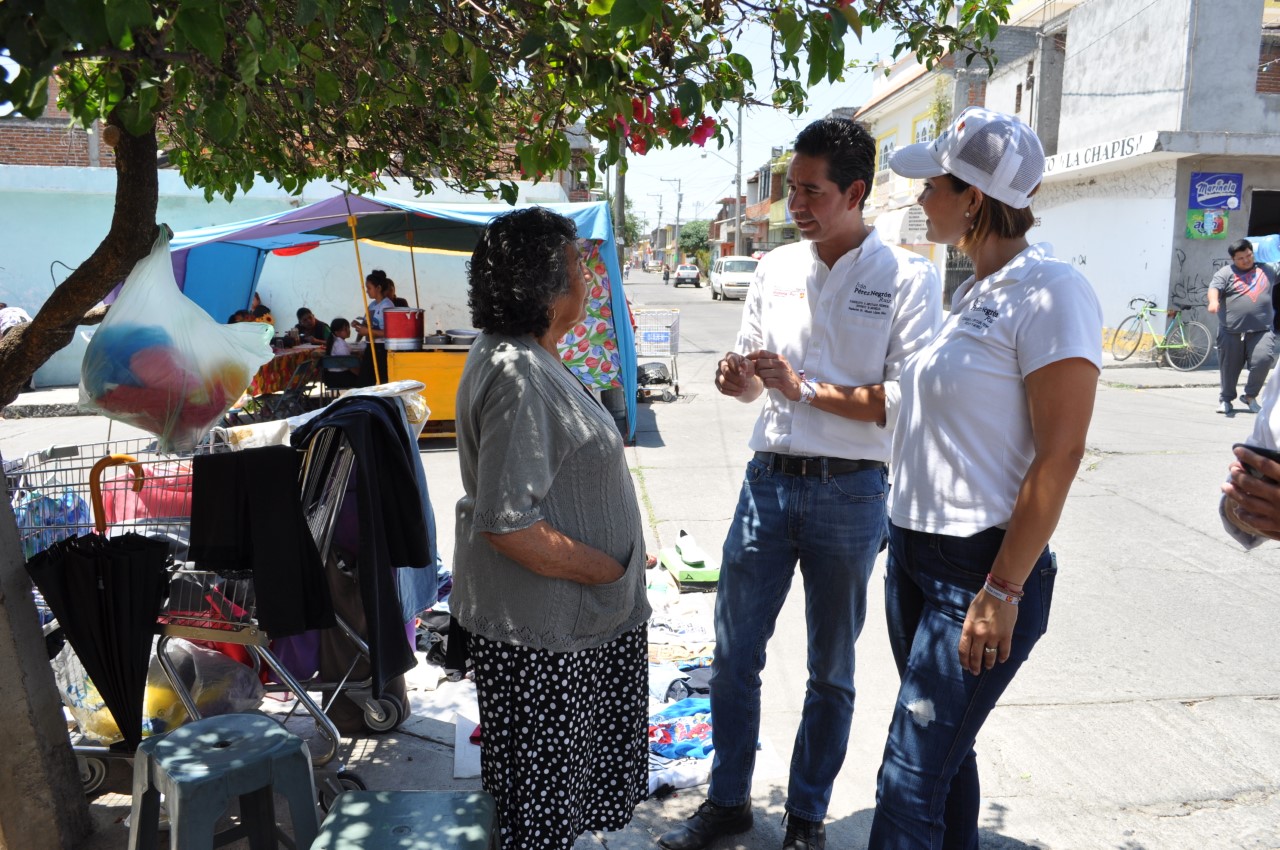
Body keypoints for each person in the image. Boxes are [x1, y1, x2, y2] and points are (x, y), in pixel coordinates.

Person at [659, 117, 941, 850]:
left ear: (856, 192)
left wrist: (807, 389)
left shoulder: (907, 279)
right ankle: (727, 803)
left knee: (832, 671)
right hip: (768, 484)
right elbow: (754, 388)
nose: (797, 205)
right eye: (792, 189)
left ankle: (807, 817)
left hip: (851, 495)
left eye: (813, 191)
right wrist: (734, 378)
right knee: (731, 657)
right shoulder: (776, 267)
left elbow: (906, 401)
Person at [867, 107, 1102, 849]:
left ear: (973, 197)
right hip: (913, 555)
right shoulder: (970, 293)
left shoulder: (1049, 289)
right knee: (942, 765)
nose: (919, 200)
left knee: (907, 780)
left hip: (976, 572)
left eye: (931, 186)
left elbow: (1060, 453)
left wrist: (1002, 588)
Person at [451, 207, 651, 850]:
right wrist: (606, 569)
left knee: (547, 803)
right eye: (576, 269)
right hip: (551, 636)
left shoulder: (529, 357)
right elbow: (509, 525)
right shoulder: (520, 376)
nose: (588, 282)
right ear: (545, 288)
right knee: (541, 810)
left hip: (569, 625)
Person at [1208, 238, 1277, 414]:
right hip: (1231, 331)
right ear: (1233, 259)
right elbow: (1214, 288)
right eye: (1241, 258)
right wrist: (1214, 302)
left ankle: (1250, 396)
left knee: (1264, 360)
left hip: (1262, 330)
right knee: (1229, 367)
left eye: (1249, 255)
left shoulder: (1267, 269)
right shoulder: (1225, 273)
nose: (1246, 260)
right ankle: (1226, 399)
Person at [354, 270, 396, 384]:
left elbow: (390, 332)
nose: (367, 291)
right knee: (365, 382)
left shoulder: (387, 305)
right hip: (370, 347)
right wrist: (358, 326)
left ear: (378, 288)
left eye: (369, 288)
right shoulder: (372, 305)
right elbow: (366, 323)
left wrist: (368, 331)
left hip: (381, 348)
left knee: (380, 381)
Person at [322, 318, 363, 389]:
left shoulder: (334, 341)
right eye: (345, 329)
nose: (348, 331)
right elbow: (351, 366)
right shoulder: (341, 345)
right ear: (336, 332)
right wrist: (362, 375)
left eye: (348, 328)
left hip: (330, 378)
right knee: (367, 379)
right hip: (341, 378)